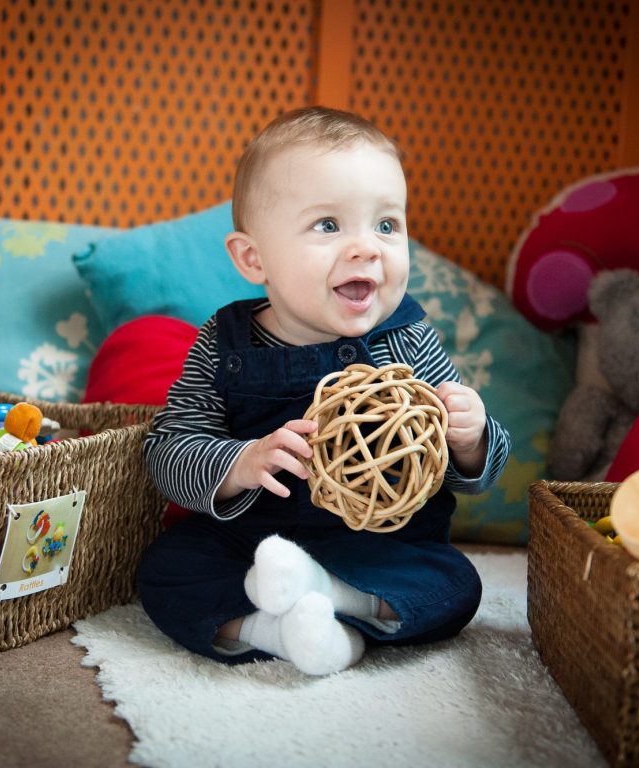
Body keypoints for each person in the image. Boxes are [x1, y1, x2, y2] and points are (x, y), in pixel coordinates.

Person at [137, 106, 511, 676]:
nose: (368, 249)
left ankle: (332, 596)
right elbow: (168, 449)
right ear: (253, 257)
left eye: (387, 225)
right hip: (253, 545)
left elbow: (451, 466)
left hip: (385, 547)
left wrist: (473, 437)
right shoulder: (225, 343)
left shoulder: (408, 336)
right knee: (165, 568)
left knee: (457, 585)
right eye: (329, 225)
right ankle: (280, 632)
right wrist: (239, 461)